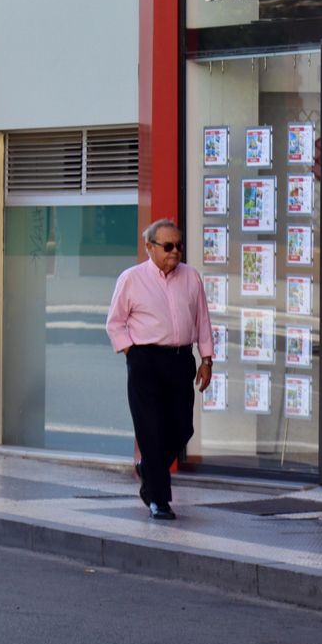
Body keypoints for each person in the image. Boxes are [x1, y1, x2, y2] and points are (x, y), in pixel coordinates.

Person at [105, 218, 213, 521]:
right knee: (150, 429)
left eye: (179, 245)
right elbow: (115, 322)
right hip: (145, 360)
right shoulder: (131, 278)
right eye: (168, 246)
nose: (175, 251)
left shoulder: (191, 277)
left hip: (181, 359)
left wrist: (207, 359)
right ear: (149, 247)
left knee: (182, 427)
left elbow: (202, 320)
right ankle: (159, 501)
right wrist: (133, 352)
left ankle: (148, 470)